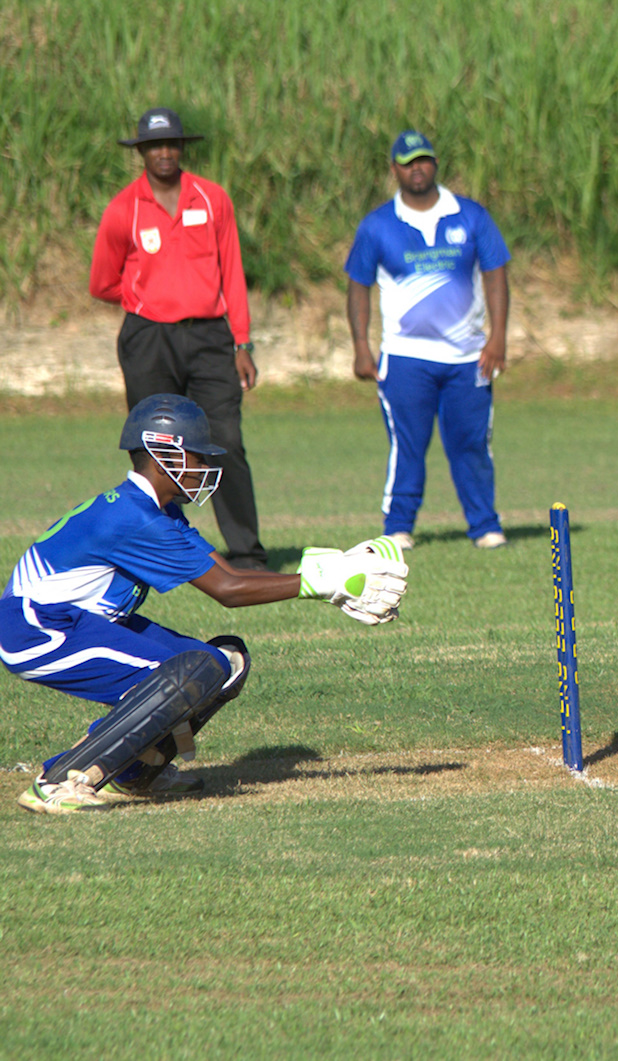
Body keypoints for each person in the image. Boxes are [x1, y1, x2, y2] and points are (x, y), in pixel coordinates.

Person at [3, 394, 409, 814]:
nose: (204, 468)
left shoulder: (157, 512)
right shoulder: (135, 517)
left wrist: (333, 572)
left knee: (226, 661)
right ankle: (58, 781)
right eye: (197, 457)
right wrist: (324, 583)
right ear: (164, 454)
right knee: (196, 670)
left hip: (72, 621)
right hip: (37, 628)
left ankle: (132, 774)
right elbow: (227, 590)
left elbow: (230, 573)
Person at [89, 107, 270, 570]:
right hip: (148, 339)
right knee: (154, 447)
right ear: (142, 153)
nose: (164, 153)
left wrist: (242, 342)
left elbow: (233, 273)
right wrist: (147, 300)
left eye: (172, 144)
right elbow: (102, 283)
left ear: (182, 148)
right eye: (154, 146)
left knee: (225, 438)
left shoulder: (211, 200)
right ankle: (159, 550)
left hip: (210, 337)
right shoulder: (123, 209)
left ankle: (247, 554)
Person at [345, 130, 512, 551]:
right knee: (408, 446)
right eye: (407, 161)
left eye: (423, 159)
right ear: (394, 169)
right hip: (406, 358)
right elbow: (358, 286)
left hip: (468, 357)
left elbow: (496, 275)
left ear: (435, 163)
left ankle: (485, 526)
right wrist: (362, 347)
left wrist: (498, 338)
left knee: (471, 443)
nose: (416, 168)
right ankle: (398, 528)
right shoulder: (378, 225)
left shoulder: (471, 216)